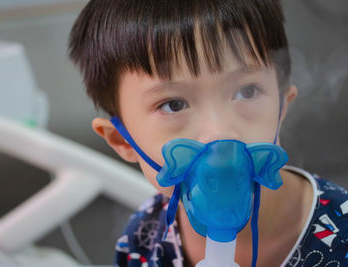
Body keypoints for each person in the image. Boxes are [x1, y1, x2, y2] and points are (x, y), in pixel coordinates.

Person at [68, 0, 348, 266]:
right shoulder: (144, 238)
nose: (220, 133)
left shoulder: (341, 231)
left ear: (282, 104)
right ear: (123, 140)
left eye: (246, 91)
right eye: (173, 104)